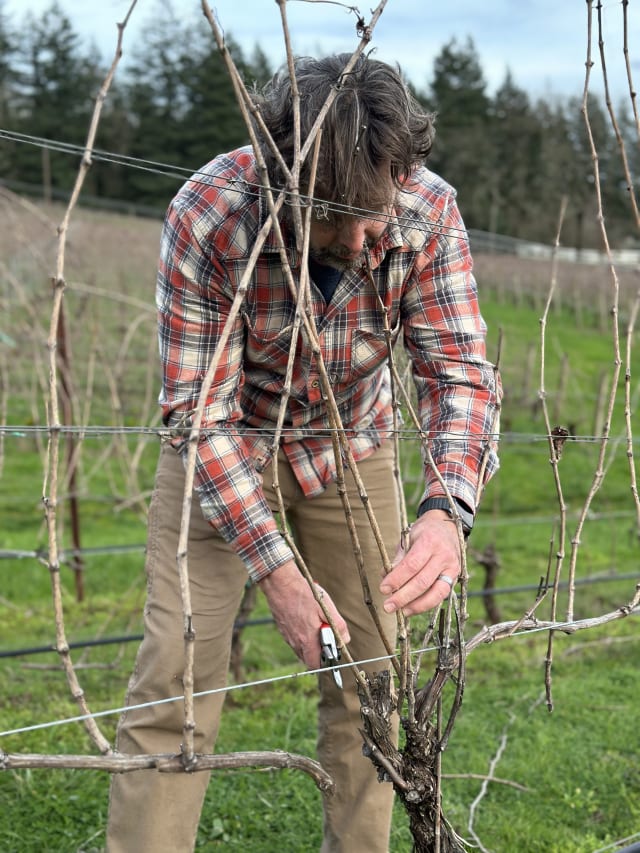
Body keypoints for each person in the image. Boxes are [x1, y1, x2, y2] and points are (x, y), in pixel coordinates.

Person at [106, 53, 500, 853]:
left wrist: (445, 509)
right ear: (283, 182)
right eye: (339, 215)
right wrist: (278, 571)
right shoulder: (211, 213)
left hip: (352, 445)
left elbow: (458, 373)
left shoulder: (425, 210)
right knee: (173, 683)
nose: (365, 237)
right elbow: (201, 417)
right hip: (221, 453)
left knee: (371, 689)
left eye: (378, 210)